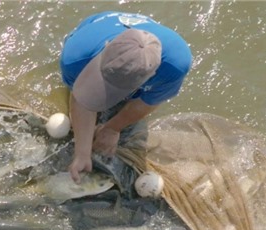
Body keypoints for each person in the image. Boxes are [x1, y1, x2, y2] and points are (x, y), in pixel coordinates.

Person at [60, 12, 192, 183]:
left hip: (150, 42)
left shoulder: (175, 65)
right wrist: (82, 153)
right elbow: (81, 99)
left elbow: (148, 101)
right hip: (96, 29)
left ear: (153, 74)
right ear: (107, 46)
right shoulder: (75, 58)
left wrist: (113, 128)